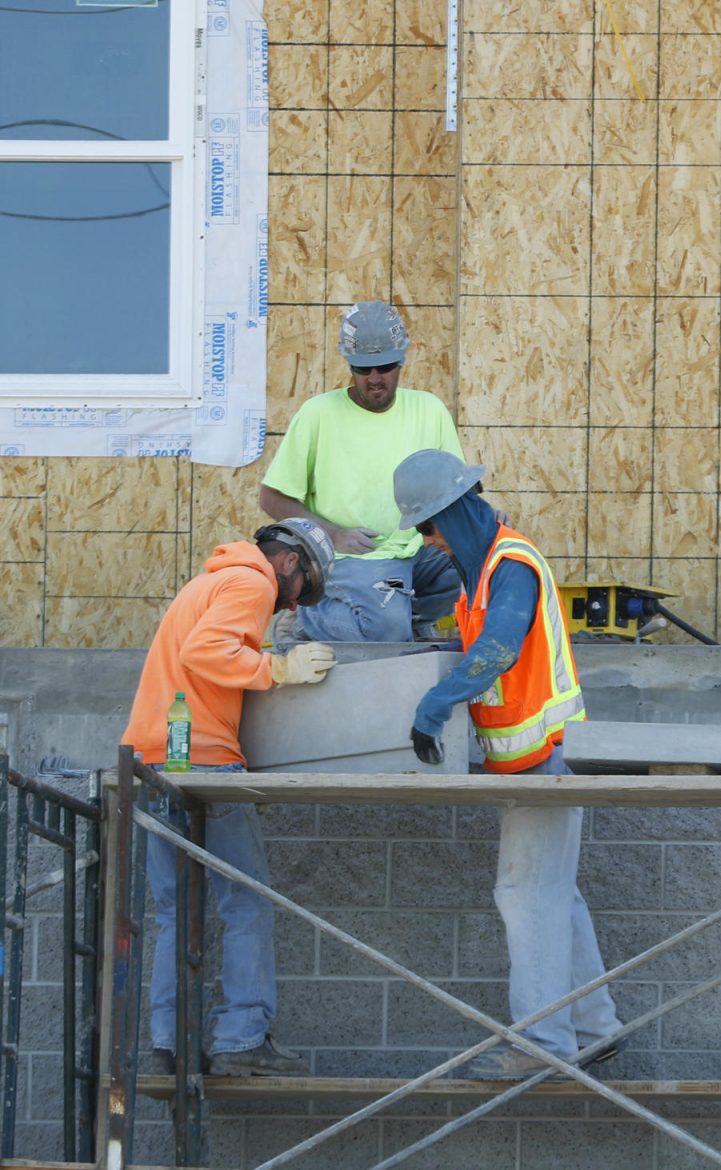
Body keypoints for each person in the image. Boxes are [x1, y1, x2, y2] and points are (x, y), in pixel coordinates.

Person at [393, 449, 623, 1079]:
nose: (428, 540)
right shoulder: (481, 575)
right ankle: (594, 1026)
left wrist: (434, 705)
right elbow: (480, 643)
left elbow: (498, 646)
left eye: (428, 525)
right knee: (555, 898)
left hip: (538, 772)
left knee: (525, 898)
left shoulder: (511, 563)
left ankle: (542, 1045)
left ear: (455, 511)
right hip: (530, 772)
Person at [123, 519, 339, 1077]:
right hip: (202, 762)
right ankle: (241, 1038)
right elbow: (207, 652)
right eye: (304, 591)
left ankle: (169, 1043)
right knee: (245, 903)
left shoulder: (209, 583)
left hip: (158, 760)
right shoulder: (251, 581)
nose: (293, 607)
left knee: (175, 912)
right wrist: (280, 668)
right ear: (289, 562)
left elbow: (197, 667)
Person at [258, 300, 465, 644]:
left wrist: (483, 520)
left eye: (384, 367)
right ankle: (309, 618)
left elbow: (454, 488)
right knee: (387, 638)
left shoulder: (429, 409)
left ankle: (408, 617)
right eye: (362, 368)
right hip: (357, 556)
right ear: (349, 365)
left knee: (481, 559)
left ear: (400, 362)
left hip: (417, 549)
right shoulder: (319, 414)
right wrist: (333, 534)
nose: (374, 379)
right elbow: (273, 498)